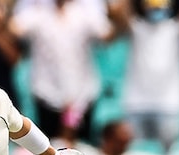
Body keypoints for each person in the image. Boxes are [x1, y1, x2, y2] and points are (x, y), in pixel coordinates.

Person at [11, 0, 116, 142]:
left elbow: (106, 34)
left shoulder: (85, 11)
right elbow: (15, 29)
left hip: (83, 95)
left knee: (82, 150)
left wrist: (118, 14)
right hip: (47, 95)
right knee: (49, 149)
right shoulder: (38, 11)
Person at [109, 0, 179, 152]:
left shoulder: (176, 30)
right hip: (137, 104)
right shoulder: (136, 28)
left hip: (169, 106)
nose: (156, 11)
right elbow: (123, 11)